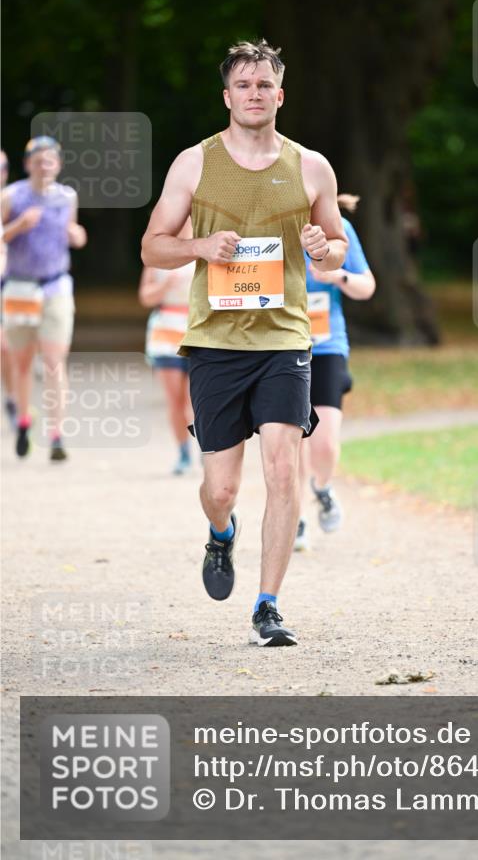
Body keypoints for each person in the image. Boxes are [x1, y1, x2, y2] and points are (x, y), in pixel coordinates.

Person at [141, 39, 348, 647]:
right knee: (221, 488)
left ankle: (268, 605)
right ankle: (220, 533)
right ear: (226, 96)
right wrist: (200, 247)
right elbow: (152, 246)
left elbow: (336, 249)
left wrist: (321, 250)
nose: (254, 95)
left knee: (284, 469)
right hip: (215, 342)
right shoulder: (194, 164)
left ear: (279, 96)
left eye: (265, 85)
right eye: (244, 85)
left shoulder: (311, 166)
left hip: (285, 337)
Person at [295, 198, 376, 551]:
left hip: (327, 347)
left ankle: (322, 487)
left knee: (324, 443)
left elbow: (367, 286)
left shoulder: (338, 229)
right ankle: (294, 517)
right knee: (291, 439)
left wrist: (336, 275)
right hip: (283, 346)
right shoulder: (269, 227)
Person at [1, 136, 87, 461]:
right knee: (22, 363)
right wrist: (16, 227)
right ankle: (24, 421)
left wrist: (78, 235)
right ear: (28, 165)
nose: (44, 165)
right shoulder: (11, 196)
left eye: (50, 159)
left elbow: (74, 230)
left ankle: (56, 435)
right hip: (19, 288)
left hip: (56, 287)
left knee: (54, 363)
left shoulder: (67, 197)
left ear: (59, 164)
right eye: (38, 160)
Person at [138, 220, 195, 476]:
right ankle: (183, 451)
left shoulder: (206, 245)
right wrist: (165, 286)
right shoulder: (157, 250)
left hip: (197, 330)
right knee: (174, 400)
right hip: (166, 331)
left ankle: (209, 451)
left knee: (197, 401)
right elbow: (145, 296)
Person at [0, 148, 17, 428]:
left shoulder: (15, 198)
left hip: (8, 282)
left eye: (2, 167)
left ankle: (13, 398)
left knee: (6, 346)